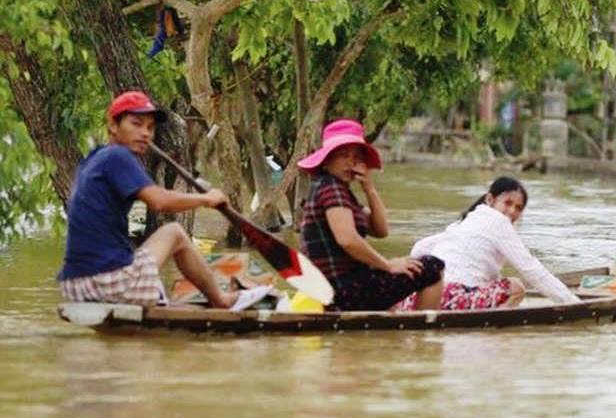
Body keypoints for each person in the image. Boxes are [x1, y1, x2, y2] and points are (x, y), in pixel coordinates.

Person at [58, 91, 270, 310]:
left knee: (148, 266)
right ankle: (222, 300)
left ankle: (156, 294)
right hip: (105, 283)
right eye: (136, 124)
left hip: (76, 285)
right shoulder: (118, 156)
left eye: (150, 128)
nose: (145, 133)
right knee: (175, 232)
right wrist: (206, 199)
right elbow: (158, 201)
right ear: (113, 125)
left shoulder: (93, 159)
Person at [298, 119, 445, 311]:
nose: (351, 162)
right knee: (432, 268)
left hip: (341, 286)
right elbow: (347, 240)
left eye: (356, 157)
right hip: (342, 290)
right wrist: (388, 265)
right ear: (326, 161)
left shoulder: (338, 191)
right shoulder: (331, 188)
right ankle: (422, 327)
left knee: (404, 271)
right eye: (343, 155)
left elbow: (381, 230)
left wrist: (369, 188)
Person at [394, 177, 579, 310]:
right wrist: (572, 302)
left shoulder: (465, 222)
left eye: (518, 208)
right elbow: (532, 270)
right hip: (451, 299)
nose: (512, 211)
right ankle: (490, 331)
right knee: (516, 287)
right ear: (490, 200)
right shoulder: (498, 222)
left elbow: (420, 247)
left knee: (495, 281)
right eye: (508, 203)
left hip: (420, 298)